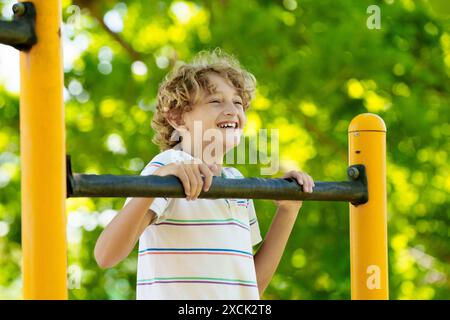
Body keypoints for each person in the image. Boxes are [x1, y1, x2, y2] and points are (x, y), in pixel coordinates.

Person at [94, 48, 315, 300]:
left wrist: (288, 210)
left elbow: (251, 287)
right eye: (215, 101)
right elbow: (106, 255)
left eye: (238, 102)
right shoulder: (169, 166)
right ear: (177, 117)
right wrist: (157, 183)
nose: (232, 110)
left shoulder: (236, 182)